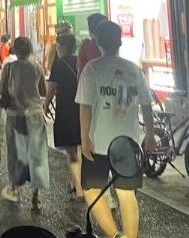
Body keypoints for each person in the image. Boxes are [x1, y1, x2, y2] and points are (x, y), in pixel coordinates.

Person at [76, 20, 154, 238]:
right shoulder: (134, 70)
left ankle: (115, 235)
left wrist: (84, 138)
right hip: (128, 142)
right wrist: (149, 134)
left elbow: (85, 108)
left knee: (91, 189)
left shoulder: (92, 69)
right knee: (127, 193)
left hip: (98, 141)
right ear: (119, 42)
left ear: (98, 42)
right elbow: (146, 105)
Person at [0, 36, 50, 208]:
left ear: (15, 50)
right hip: (35, 115)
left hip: (15, 115)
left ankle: (15, 189)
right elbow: (43, 91)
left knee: (15, 153)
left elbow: (2, 91)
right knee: (36, 154)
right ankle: (36, 196)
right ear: (30, 50)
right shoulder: (37, 67)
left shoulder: (8, 68)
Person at [46, 31, 83, 198]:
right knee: (80, 146)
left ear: (63, 47)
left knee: (70, 150)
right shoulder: (80, 62)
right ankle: (77, 181)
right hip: (81, 109)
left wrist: (45, 106)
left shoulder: (59, 64)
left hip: (66, 109)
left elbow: (51, 89)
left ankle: (78, 186)